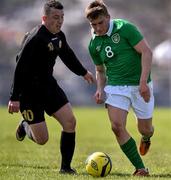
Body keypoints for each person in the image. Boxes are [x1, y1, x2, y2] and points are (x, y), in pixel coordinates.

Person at [8, 0, 94, 174]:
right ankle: (25, 125)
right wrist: (14, 97)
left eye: (62, 17)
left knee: (70, 122)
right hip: (29, 94)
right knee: (42, 139)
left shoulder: (59, 35)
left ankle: (66, 168)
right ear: (44, 18)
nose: (60, 21)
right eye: (56, 17)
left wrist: (83, 72)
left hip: (48, 87)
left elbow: (67, 55)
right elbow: (20, 68)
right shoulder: (35, 38)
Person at [85, 0, 154, 176]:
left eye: (101, 23)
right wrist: (100, 88)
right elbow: (100, 70)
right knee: (116, 126)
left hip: (140, 83)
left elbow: (147, 52)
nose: (98, 28)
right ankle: (140, 168)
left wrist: (143, 82)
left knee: (145, 129)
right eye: (93, 24)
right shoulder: (93, 44)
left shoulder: (125, 28)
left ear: (108, 17)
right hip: (115, 87)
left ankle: (146, 138)